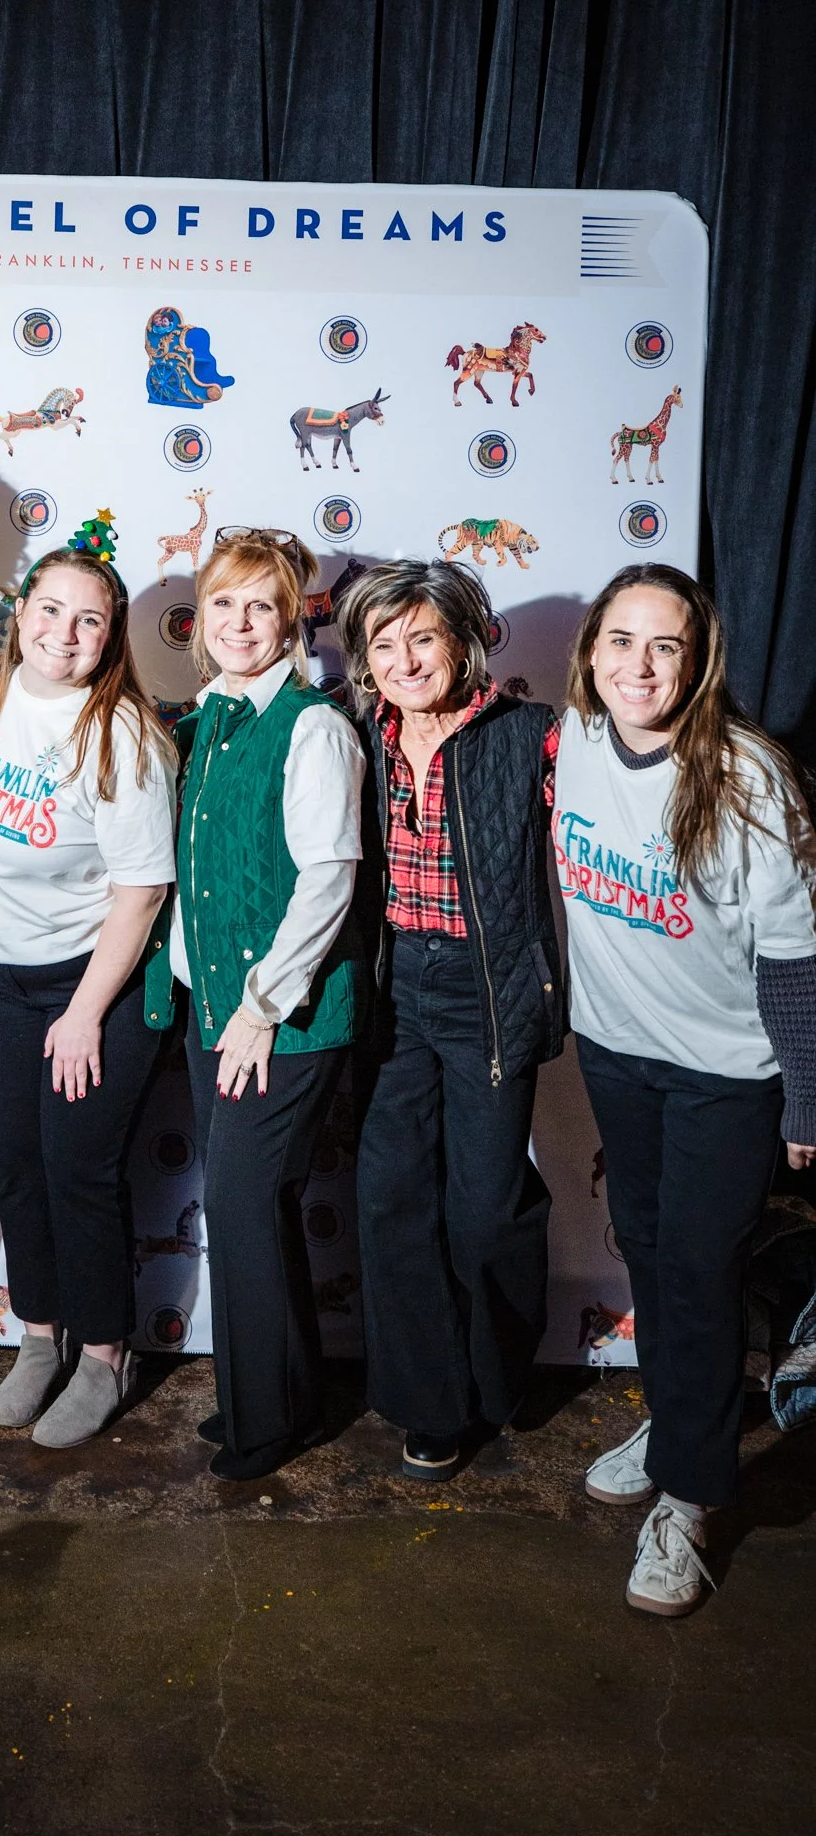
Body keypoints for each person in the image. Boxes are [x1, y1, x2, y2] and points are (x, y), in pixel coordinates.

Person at [556, 563, 816, 1616]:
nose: (640, 665)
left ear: (698, 658)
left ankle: (692, 1498)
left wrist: (805, 1095)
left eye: (665, 644)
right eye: (621, 639)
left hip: (724, 1075)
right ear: (589, 653)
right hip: (615, 1052)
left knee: (702, 1279)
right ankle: (675, 1419)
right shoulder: (571, 739)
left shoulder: (747, 774)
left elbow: (793, 957)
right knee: (656, 1260)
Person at [0, 517, 176, 1446]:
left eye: (89, 621)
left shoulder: (123, 736)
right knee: (21, 1167)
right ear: (21, 614)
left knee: (79, 1171)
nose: (64, 634)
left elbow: (142, 890)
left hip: (92, 983)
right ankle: (39, 1335)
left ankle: (107, 1356)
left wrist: (85, 1013)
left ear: (111, 636)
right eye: (50, 611)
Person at [144, 527, 365, 1482]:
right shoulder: (213, 716)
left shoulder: (310, 727)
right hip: (211, 1010)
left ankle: (263, 1424)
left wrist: (261, 1004)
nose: (239, 623)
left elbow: (328, 880)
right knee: (251, 1206)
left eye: (260, 606)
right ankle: (280, 1394)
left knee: (239, 1205)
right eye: (224, 603)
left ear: (289, 622)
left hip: (279, 1016)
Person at [337, 559, 563, 1482]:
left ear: (463, 641)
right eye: (383, 644)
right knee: (391, 1202)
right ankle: (428, 1403)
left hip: (489, 988)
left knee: (485, 1209)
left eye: (421, 637)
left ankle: (496, 1381)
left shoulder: (531, 734)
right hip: (395, 990)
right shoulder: (355, 735)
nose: (404, 659)